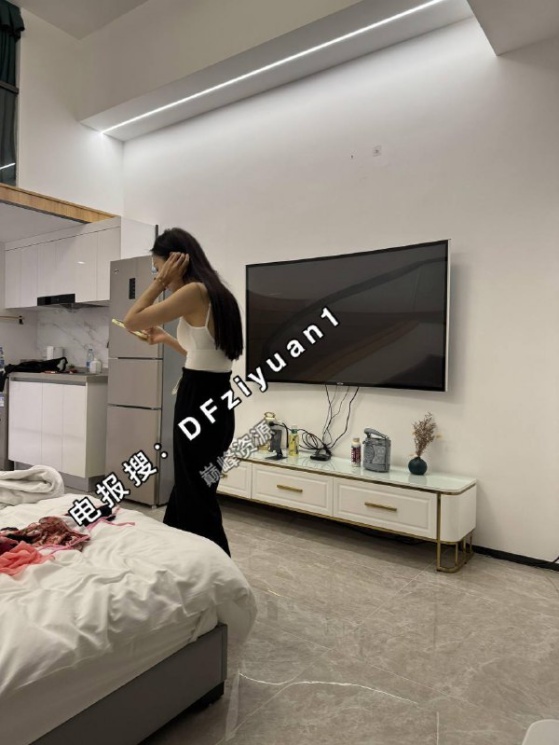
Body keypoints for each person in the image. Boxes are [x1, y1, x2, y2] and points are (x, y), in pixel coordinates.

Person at [123, 228, 243, 556]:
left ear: (175, 261)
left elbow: (131, 320)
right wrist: (165, 338)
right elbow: (204, 356)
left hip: (198, 398)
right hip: (217, 396)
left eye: (158, 267)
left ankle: (215, 568)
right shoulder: (219, 293)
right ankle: (176, 558)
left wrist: (159, 285)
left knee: (195, 493)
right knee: (193, 487)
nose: (158, 275)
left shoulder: (194, 292)